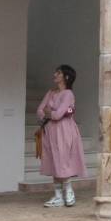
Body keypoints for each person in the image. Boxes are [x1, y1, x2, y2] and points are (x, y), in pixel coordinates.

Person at [36, 64, 86, 207]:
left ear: (66, 77)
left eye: (58, 73)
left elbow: (57, 115)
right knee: (54, 160)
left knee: (63, 160)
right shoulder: (50, 92)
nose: (55, 75)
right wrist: (49, 113)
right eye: (56, 72)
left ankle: (69, 191)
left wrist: (49, 112)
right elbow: (39, 111)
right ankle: (58, 196)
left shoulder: (68, 94)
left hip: (64, 130)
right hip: (50, 130)